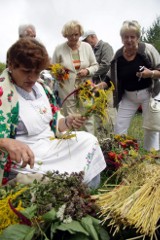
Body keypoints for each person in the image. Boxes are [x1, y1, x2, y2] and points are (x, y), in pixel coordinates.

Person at [0, 38, 106, 188]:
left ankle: (72, 185)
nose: (33, 78)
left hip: (51, 148)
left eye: (37, 72)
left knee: (88, 140)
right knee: (41, 175)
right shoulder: (2, 93)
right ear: (11, 65)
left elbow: (54, 122)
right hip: (28, 157)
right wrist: (5, 142)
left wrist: (67, 122)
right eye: (26, 72)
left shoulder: (42, 89)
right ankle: (74, 186)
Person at [96, 20, 160, 151]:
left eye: (132, 36)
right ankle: (120, 154)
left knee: (151, 127)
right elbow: (110, 77)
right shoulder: (118, 56)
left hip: (149, 93)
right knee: (119, 126)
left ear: (138, 38)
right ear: (121, 38)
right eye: (126, 37)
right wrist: (100, 86)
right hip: (128, 96)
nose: (129, 40)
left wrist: (151, 73)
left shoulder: (148, 50)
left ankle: (151, 156)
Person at [52, 20, 98, 135]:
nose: (73, 37)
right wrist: (59, 72)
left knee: (88, 114)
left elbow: (95, 65)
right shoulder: (59, 49)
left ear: (80, 33)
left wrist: (87, 70)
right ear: (65, 35)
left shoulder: (87, 47)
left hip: (86, 87)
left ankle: (90, 141)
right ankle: (72, 142)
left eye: (76, 34)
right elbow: (52, 68)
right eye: (70, 35)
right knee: (70, 117)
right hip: (67, 88)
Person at [81, 30, 116, 130]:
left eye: (86, 40)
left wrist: (89, 73)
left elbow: (106, 64)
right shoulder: (90, 51)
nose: (85, 43)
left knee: (109, 110)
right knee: (97, 110)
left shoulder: (105, 46)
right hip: (95, 85)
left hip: (106, 84)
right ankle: (102, 134)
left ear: (92, 37)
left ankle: (113, 135)